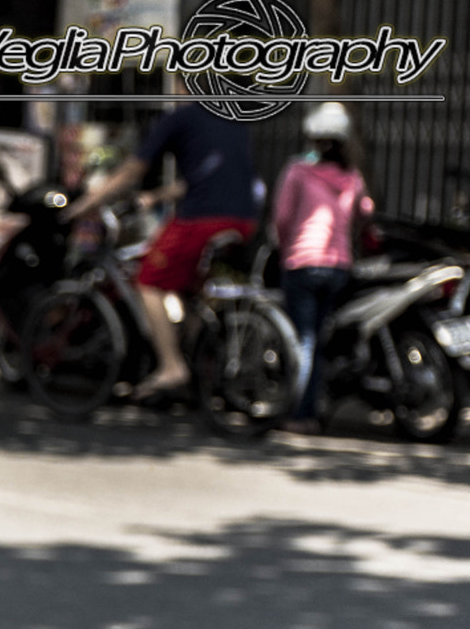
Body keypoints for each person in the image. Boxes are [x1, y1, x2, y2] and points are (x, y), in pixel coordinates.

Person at [66, 93, 261, 399]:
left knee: (148, 281)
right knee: (192, 287)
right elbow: (199, 179)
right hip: (244, 220)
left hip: (201, 219)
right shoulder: (232, 117)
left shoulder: (179, 118)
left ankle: (171, 365)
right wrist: (156, 198)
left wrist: (83, 205)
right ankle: (196, 358)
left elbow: (131, 171)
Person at [271, 102, 371, 433]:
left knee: (304, 341)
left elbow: (282, 219)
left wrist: (285, 248)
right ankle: (312, 408)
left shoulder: (297, 171)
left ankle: (302, 414)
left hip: (301, 263)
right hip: (339, 267)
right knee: (318, 340)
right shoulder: (352, 177)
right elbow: (366, 213)